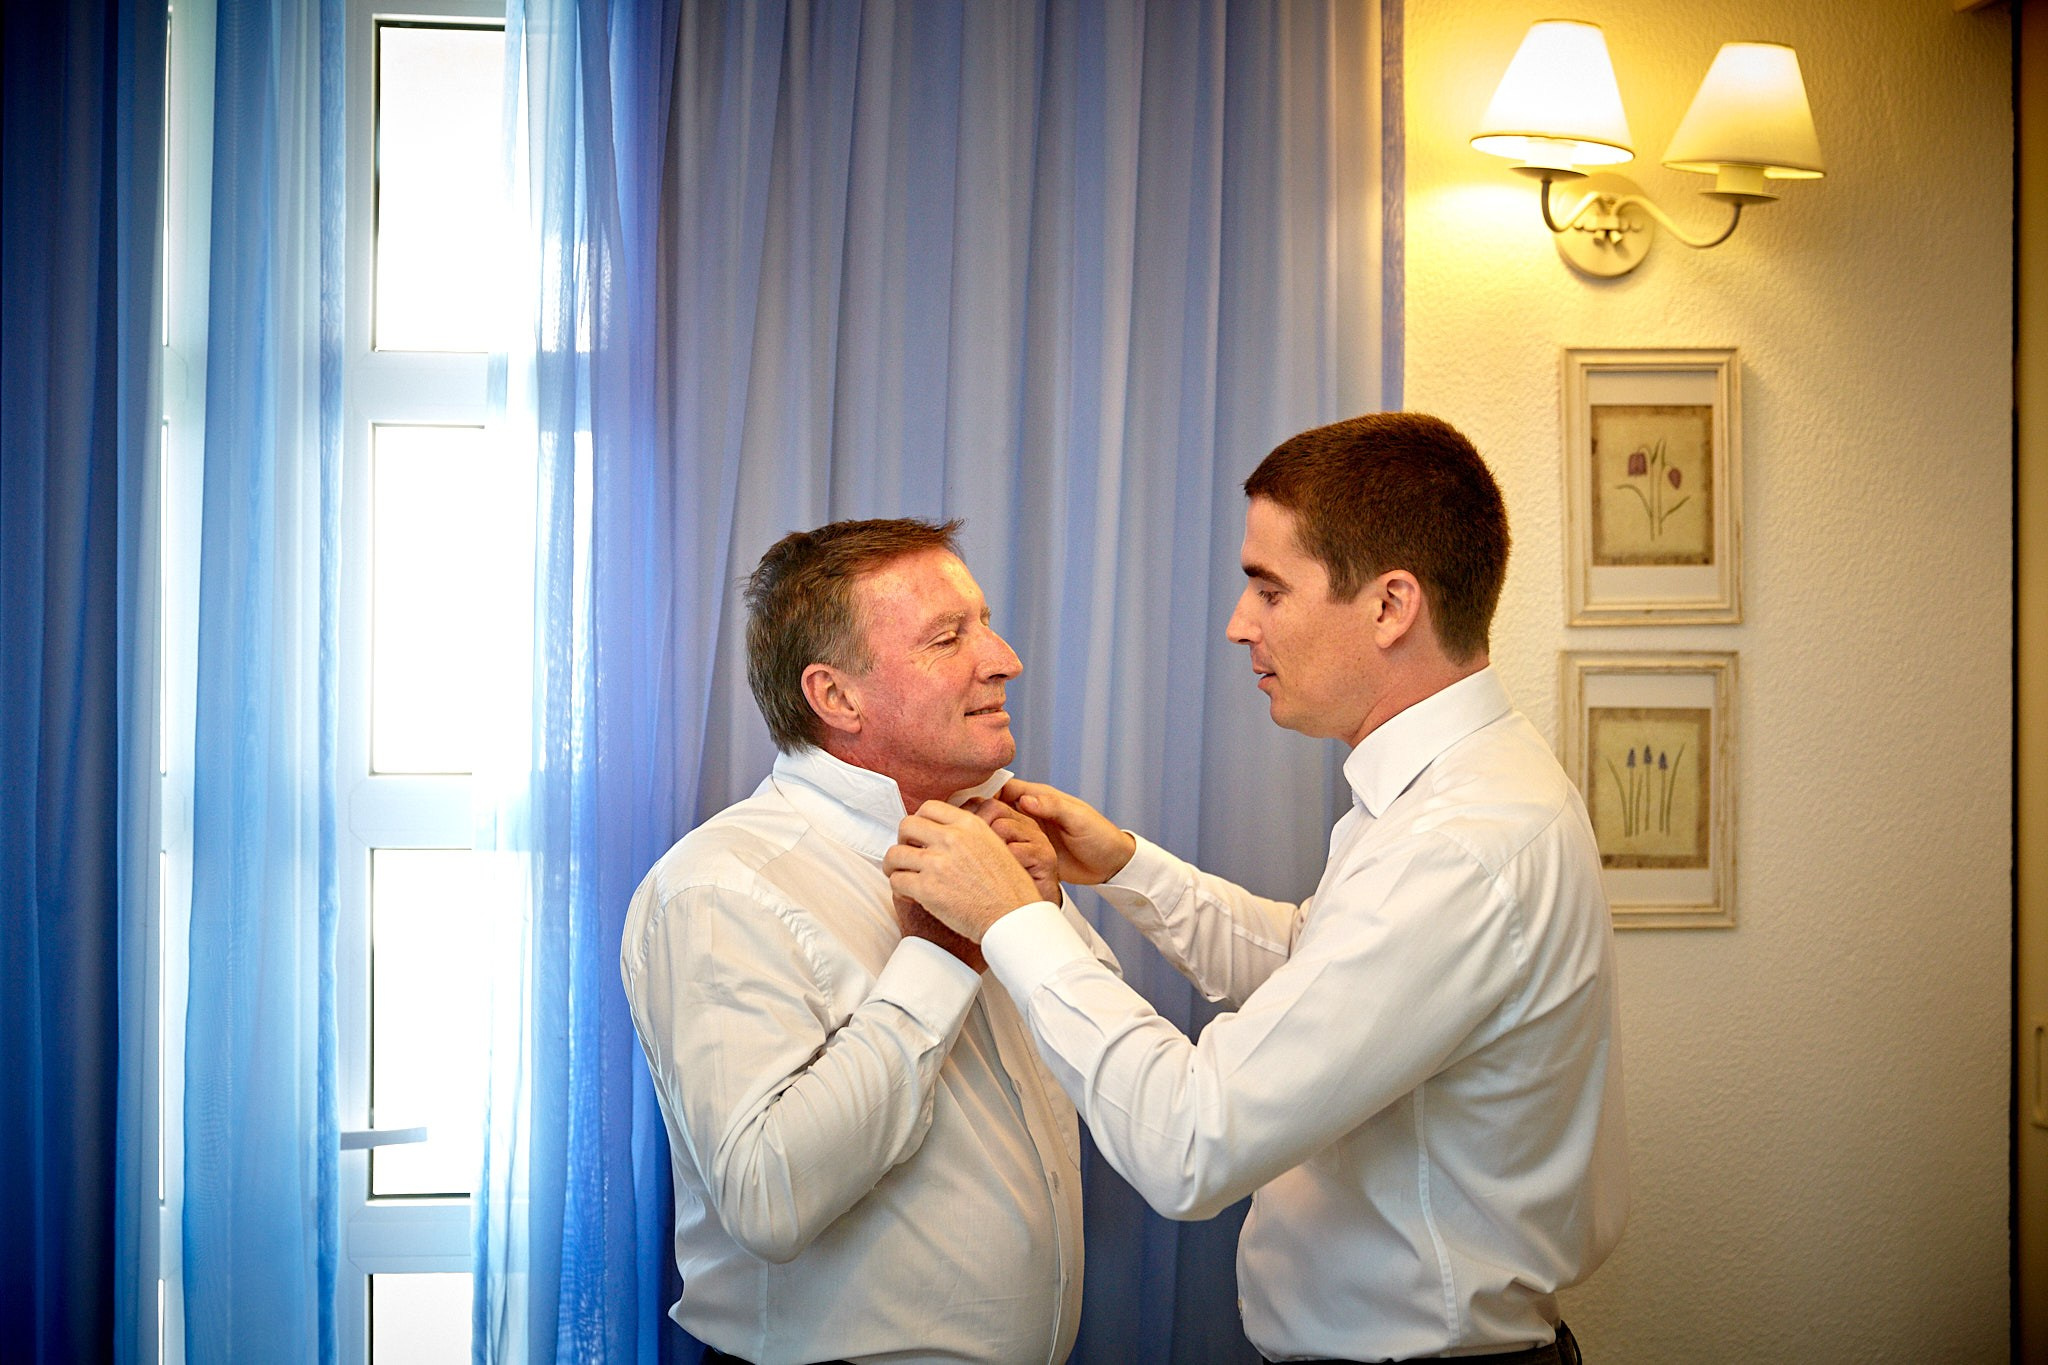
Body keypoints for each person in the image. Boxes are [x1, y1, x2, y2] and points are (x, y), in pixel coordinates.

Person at [886, 413, 1628, 1364]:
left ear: (1391, 605)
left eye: (1269, 589)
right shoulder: (1446, 795)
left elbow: (1192, 1140)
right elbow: (1316, 967)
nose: (1241, 623)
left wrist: (1017, 922)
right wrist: (1127, 867)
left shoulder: (1459, 846)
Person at [620, 518, 1117, 1365]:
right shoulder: (718, 888)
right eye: (948, 637)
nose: (1004, 659)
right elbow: (767, 1198)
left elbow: (1106, 1084)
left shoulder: (988, 844)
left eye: (985, 623)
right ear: (837, 698)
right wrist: (937, 958)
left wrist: (1037, 919)